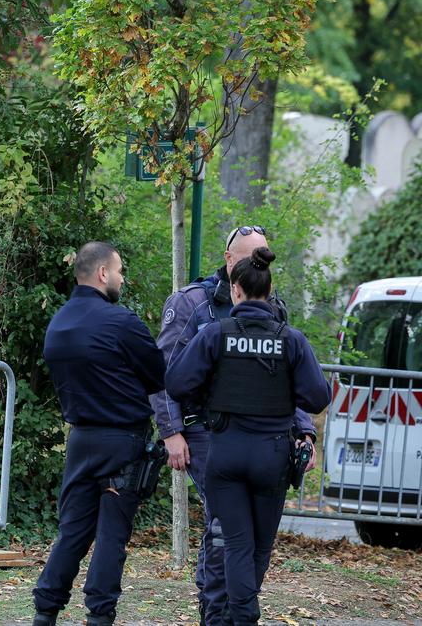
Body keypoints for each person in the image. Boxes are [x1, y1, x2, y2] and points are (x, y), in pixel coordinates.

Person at [149, 226, 318, 624]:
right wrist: (171, 431)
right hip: (209, 433)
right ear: (229, 260)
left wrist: (305, 431)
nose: (259, 263)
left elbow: (290, 380)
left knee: (253, 540)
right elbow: (166, 373)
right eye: (251, 256)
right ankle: (218, 614)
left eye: (264, 256)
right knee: (225, 532)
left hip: (266, 439)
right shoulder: (194, 304)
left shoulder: (274, 308)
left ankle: (234, 613)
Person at [32, 242, 166, 626]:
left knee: (72, 531)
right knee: (111, 536)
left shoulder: (57, 324)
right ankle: (99, 616)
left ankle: (45, 611)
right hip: (123, 440)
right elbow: (159, 375)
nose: (122, 278)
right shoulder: (120, 322)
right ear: (103, 274)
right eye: (120, 270)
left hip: (80, 440)